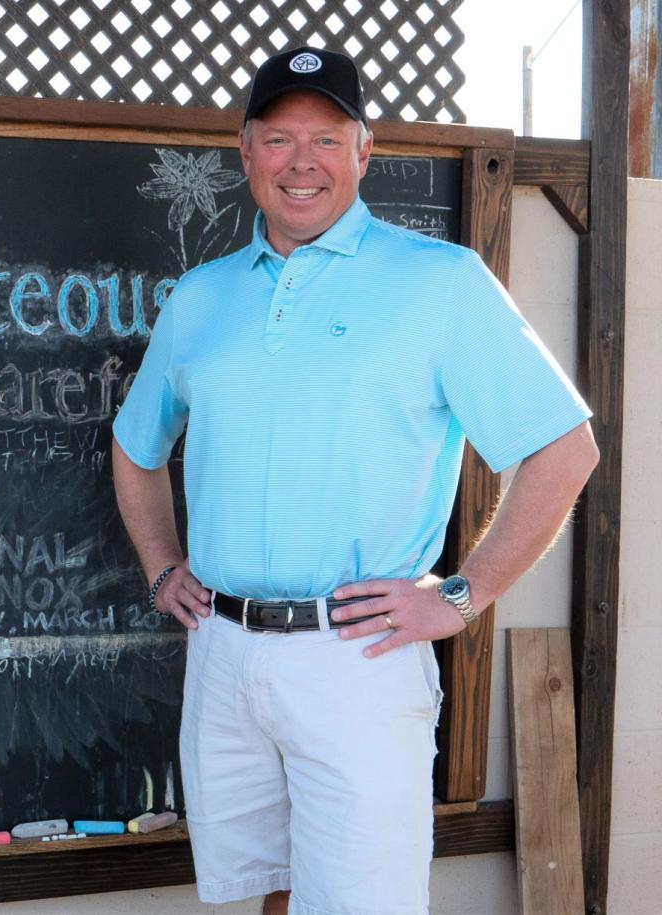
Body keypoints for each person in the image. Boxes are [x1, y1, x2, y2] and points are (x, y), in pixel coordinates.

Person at [111, 45, 599, 915]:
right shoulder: (199, 298)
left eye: (327, 139)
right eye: (280, 138)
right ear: (246, 150)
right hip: (223, 652)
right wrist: (161, 565)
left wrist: (459, 595)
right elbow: (136, 446)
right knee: (266, 894)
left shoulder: (439, 283)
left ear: (364, 152)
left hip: (357, 655)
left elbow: (565, 450)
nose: (303, 162)